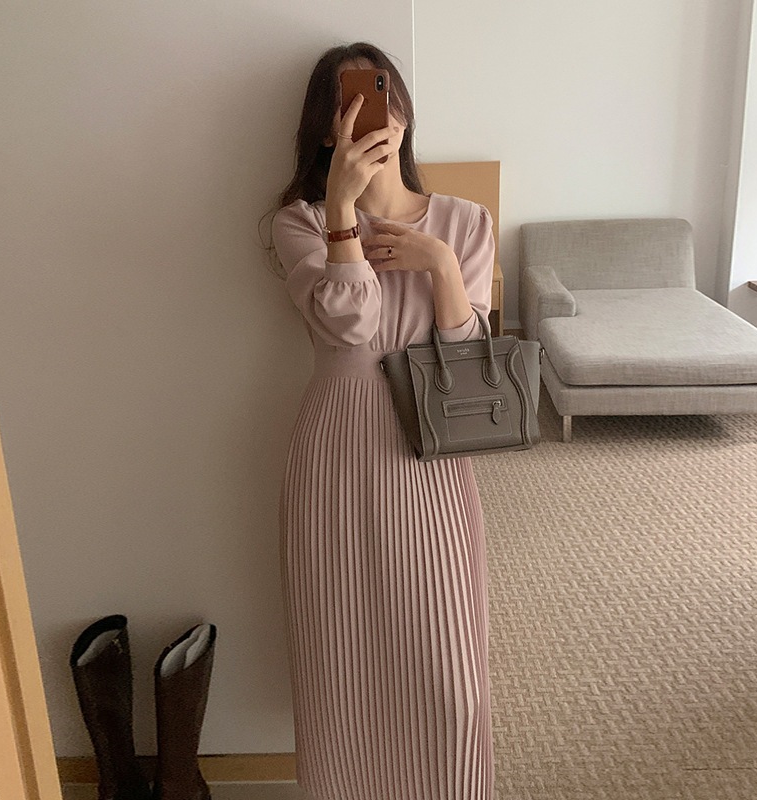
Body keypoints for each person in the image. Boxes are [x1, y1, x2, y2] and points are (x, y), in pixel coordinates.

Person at [269, 42, 495, 800]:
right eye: (352, 102)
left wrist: (440, 265)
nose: (375, 113)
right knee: (342, 655)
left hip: (429, 451)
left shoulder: (465, 222)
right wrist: (341, 212)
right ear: (325, 127)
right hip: (337, 448)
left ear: (404, 111)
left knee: (447, 663)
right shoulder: (299, 223)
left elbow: (469, 362)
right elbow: (350, 327)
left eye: (384, 93)